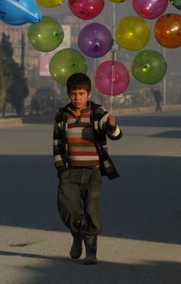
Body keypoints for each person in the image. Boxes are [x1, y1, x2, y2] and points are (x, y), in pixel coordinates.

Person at [53, 73, 122, 265]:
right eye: (73, 93)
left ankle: (91, 249)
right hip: (70, 172)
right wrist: (61, 169)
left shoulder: (98, 113)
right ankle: (76, 234)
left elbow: (115, 135)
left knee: (91, 210)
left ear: (89, 94)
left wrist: (112, 126)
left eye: (81, 93)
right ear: (68, 94)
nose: (77, 97)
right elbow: (57, 144)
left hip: (93, 171)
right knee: (67, 208)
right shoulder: (61, 116)